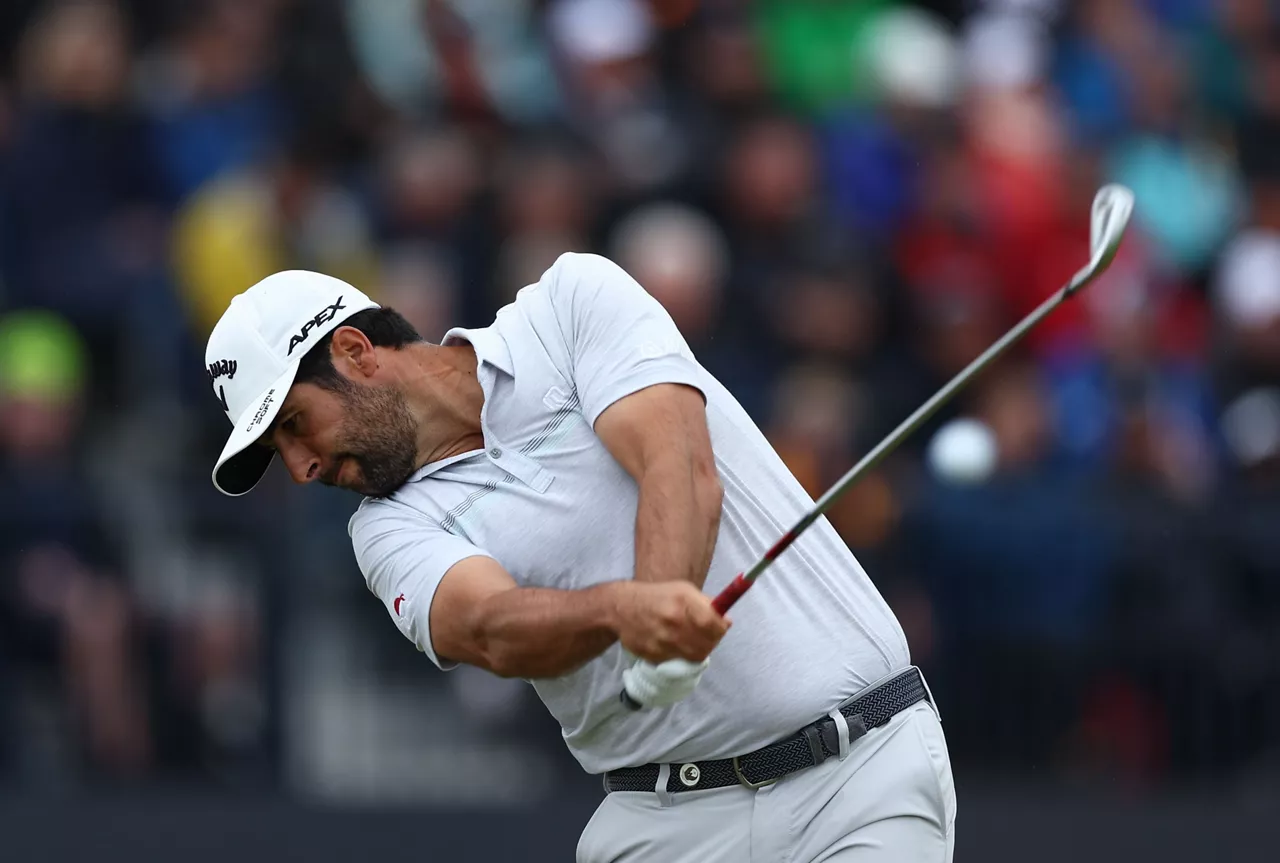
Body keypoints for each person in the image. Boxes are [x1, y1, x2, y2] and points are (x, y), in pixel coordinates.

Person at [204, 254, 956, 861]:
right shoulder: (385, 530)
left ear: (356, 352)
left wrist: (661, 604)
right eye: (281, 450)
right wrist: (626, 612)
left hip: (856, 772)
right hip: (663, 822)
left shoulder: (568, 305)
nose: (301, 465)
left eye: (297, 424)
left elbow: (677, 462)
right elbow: (490, 624)